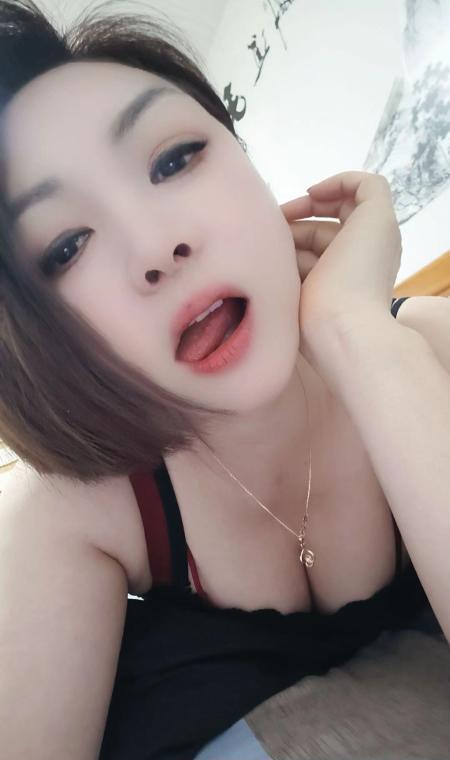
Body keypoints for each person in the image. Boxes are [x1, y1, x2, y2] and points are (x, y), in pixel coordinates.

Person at [0, 2, 436, 759]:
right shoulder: (67, 516)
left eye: (174, 161)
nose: (156, 247)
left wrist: (353, 330)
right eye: (66, 247)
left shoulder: (423, 344)